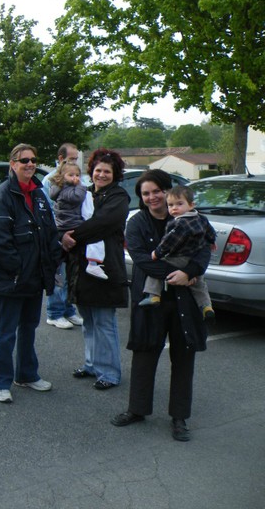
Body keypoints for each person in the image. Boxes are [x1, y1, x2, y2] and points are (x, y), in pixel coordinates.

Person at [111, 170, 211, 442]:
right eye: (146, 193)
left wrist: (189, 272)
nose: (152, 197)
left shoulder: (188, 216)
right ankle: (137, 409)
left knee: (183, 357)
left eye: (157, 191)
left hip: (184, 299)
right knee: (144, 353)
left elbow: (204, 251)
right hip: (150, 296)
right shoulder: (136, 222)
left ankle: (179, 417)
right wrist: (176, 275)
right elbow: (141, 258)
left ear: (168, 191)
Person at [0, 144, 60, 403]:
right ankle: (1, 382)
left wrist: (52, 261)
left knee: (29, 328)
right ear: (13, 164)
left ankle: (27, 375)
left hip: (35, 277)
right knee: (7, 332)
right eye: (24, 160)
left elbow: (50, 232)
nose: (30, 164)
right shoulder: (3, 195)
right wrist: (18, 269)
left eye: (33, 160)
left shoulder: (39, 193)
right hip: (14, 279)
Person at [61, 149, 129, 391]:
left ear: (115, 174)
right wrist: (62, 236)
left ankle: (109, 372)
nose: (101, 175)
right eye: (98, 170)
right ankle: (91, 364)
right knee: (88, 321)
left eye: (107, 171)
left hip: (105, 269)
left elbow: (102, 224)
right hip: (81, 267)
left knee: (104, 322)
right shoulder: (86, 192)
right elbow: (65, 214)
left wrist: (72, 236)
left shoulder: (119, 197)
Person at [138, 185, 216, 320]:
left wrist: (157, 253)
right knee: (199, 283)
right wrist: (212, 241)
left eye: (179, 204)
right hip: (193, 257)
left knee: (154, 273)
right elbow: (209, 231)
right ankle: (206, 306)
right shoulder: (201, 218)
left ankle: (153, 295)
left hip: (177, 257)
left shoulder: (179, 224)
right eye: (170, 205)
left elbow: (169, 242)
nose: (174, 208)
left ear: (191, 205)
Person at [42, 143, 82, 329]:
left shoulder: (77, 177)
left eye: (76, 159)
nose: (74, 162)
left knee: (70, 274)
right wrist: (58, 234)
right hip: (58, 232)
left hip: (74, 232)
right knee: (59, 275)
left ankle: (68, 310)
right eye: (71, 159)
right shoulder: (50, 180)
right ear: (60, 159)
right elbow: (48, 209)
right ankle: (54, 313)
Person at [50, 161, 108, 280]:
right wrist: (82, 187)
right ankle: (92, 263)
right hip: (71, 223)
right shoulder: (66, 189)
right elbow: (77, 197)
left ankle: (57, 269)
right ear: (62, 176)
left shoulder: (61, 189)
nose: (75, 178)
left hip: (65, 223)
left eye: (77, 175)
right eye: (71, 175)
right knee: (94, 237)